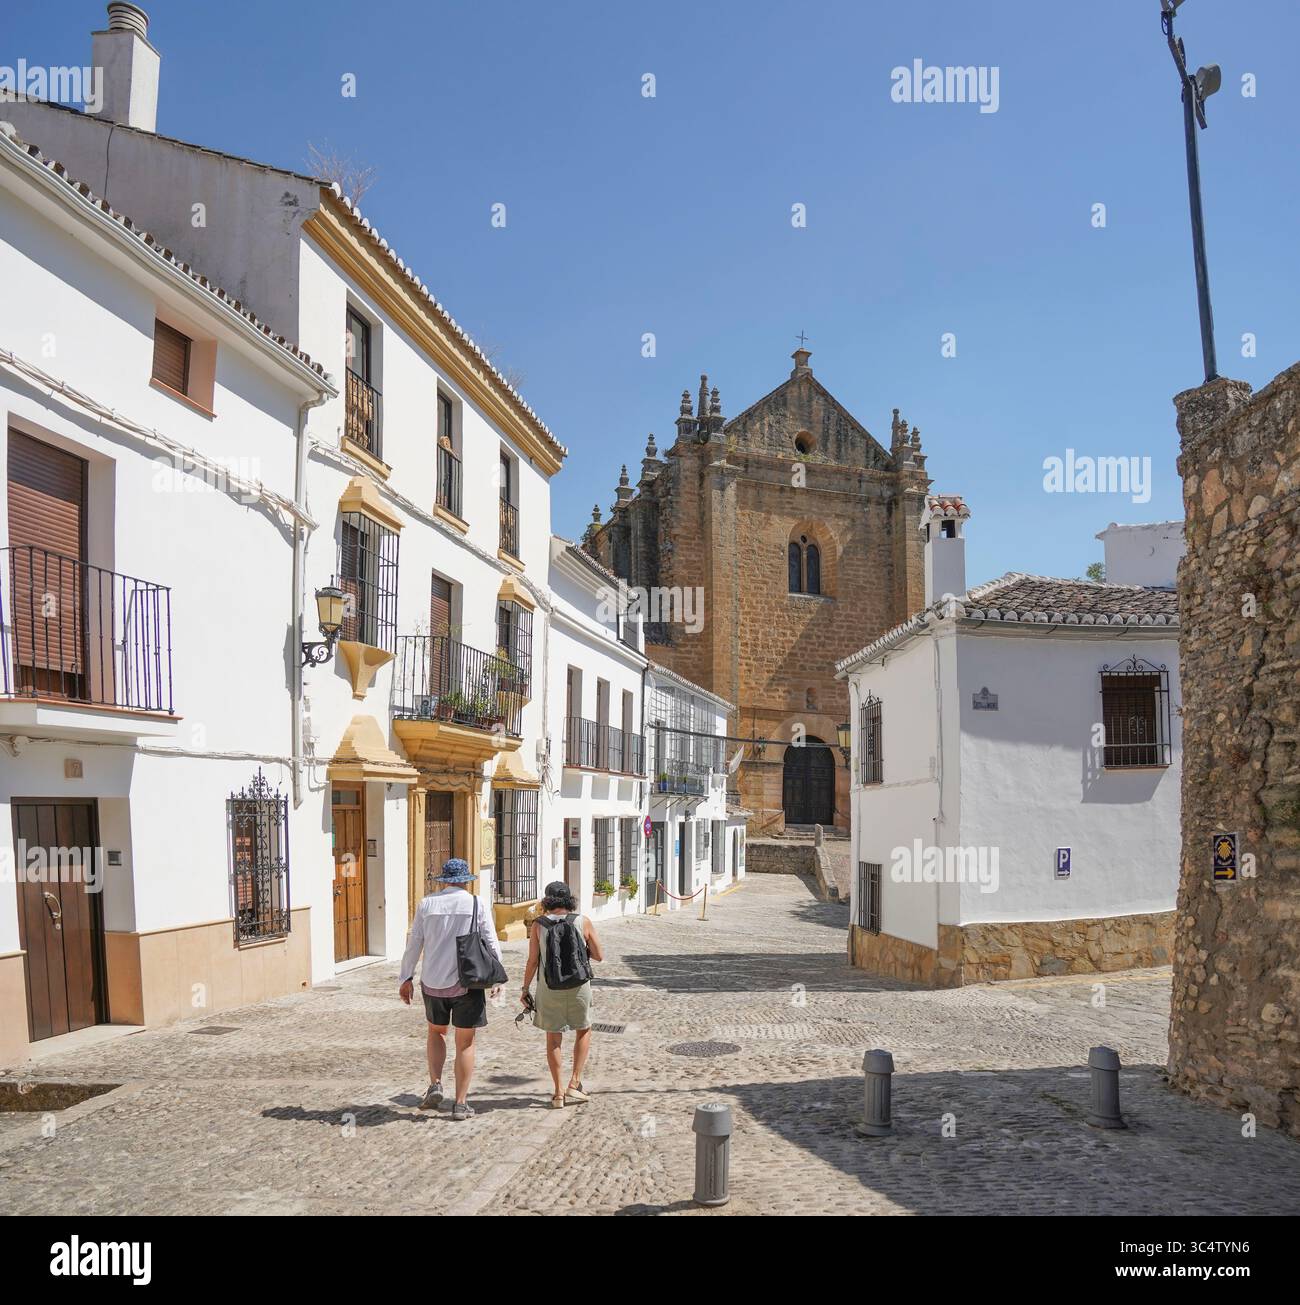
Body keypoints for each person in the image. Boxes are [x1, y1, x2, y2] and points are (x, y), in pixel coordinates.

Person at [399, 858, 504, 1121]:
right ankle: (460, 1103)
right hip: (466, 982)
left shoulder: (427, 904)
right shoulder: (476, 903)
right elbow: (490, 941)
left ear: (444, 880)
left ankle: (435, 1083)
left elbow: (414, 943)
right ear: (466, 880)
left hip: (432, 981)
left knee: (436, 1033)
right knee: (465, 1042)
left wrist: (406, 977)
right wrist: (498, 977)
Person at [521, 880, 603, 1108]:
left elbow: (532, 961)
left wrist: (525, 989)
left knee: (553, 1037)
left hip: (549, 987)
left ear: (547, 900)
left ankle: (558, 1093)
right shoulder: (583, 921)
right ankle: (574, 1083)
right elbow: (599, 955)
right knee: (584, 1029)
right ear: (569, 900)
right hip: (579, 987)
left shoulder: (539, 925)